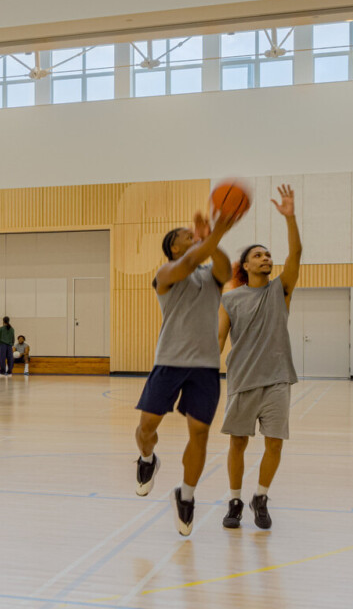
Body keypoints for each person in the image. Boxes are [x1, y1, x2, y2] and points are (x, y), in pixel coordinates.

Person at [134, 199, 243, 537]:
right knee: (147, 428)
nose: (190, 236)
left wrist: (213, 236)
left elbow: (223, 268)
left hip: (205, 366)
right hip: (169, 362)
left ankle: (186, 495)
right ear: (173, 247)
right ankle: (148, 459)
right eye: (185, 234)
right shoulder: (166, 273)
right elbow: (192, 259)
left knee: (200, 434)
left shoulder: (209, 274)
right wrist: (214, 233)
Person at [218, 185, 302, 531]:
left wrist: (290, 217)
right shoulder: (231, 298)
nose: (267, 258)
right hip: (242, 380)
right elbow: (218, 339)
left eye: (269, 255)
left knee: (274, 444)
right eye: (259, 255)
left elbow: (297, 251)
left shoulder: (280, 290)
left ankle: (261, 497)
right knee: (238, 443)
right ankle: (235, 499)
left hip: (277, 380)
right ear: (246, 265)